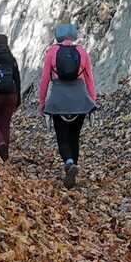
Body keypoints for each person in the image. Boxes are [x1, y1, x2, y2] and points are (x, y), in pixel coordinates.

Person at [37, 22, 98, 188]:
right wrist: (93, 101)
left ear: (58, 36)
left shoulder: (52, 52)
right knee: (74, 137)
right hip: (80, 101)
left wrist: (43, 103)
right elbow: (89, 80)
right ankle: (73, 168)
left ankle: (69, 163)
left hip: (58, 101)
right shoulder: (82, 52)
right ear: (74, 36)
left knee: (62, 136)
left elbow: (44, 81)